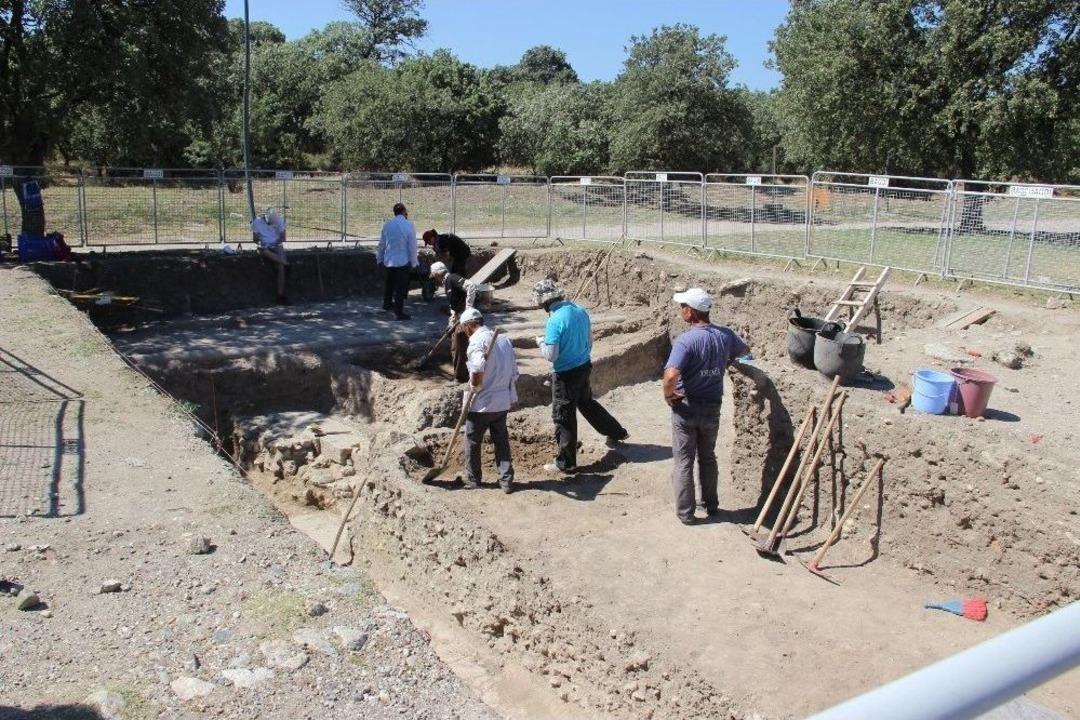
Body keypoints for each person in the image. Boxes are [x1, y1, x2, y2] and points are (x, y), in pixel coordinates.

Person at [662, 288, 750, 525]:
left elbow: (671, 376)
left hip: (686, 407)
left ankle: (686, 513)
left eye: (683, 307)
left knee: (683, 460)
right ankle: (711, 505)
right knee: (708, 457)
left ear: (690, 311)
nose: (681, 311)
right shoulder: (725, 335)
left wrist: (668, 396)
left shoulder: (686, 341)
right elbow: (744, 351)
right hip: (712, 406)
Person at [533, 279, 628, 474]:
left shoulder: (553, 321)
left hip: (565, 375)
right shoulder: (580, 310)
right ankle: (617, 432)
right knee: (587, 403)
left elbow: (551, 356)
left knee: (563, 416)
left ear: (544, 302)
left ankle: (566, 463)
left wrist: (540, 343)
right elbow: (590, 343)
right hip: (584, 366)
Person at [459, 307, 519, 493]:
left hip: (482, 403)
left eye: (463, 329)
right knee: (501, 440)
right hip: (502, 401)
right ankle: (506, 480)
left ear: (469, 326)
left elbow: (476, 369)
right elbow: (515, 372)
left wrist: (475, 386)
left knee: (473, 441)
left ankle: (474, 479)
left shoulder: (476, 341)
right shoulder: (503, 340)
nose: (464, 332)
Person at [429, 261, 479, 382]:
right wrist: (451, 322)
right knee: (456, 345)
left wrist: (468, 309)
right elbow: (453, 306)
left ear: (438, 274)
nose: (435, 280)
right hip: (459, 317)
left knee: (458, 346)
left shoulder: (452, 278)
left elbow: (471, 286)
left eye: (434, 277)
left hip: (467, 318)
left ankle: (461, 378)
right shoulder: (447, 284)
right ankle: (465, 375)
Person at [377, 203, 419, 320]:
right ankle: (398, 312)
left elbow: (382, 244)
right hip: (402, 261)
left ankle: (387, 304)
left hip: (389, 260)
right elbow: (412, 245)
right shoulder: (409, 225)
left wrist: (379, 258)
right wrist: (414, 262)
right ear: (404, 211)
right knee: (400, 288)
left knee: (389, 284)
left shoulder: (387, 224)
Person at [251, 208, 288, 304]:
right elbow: (255, 239)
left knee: (280, 267)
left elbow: (283, 238)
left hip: (276, 244)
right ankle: (286, 262)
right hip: (264, 246)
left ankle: (280, 295)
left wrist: (276, 242)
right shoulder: (257, 222)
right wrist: (261, 243)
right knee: (265, 251)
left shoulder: (279, 220)